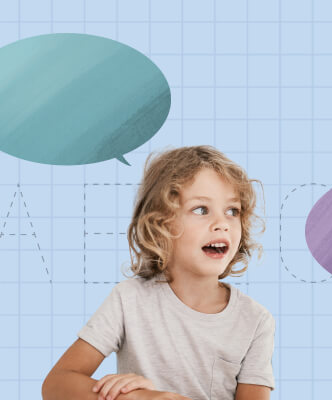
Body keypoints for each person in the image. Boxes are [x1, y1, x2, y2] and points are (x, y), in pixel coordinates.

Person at [42, 146, 275, 400]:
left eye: (233, 211)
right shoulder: (129, 299)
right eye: (201, 209)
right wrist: (134, 397)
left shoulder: (255, 321)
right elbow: (56, 384)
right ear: (159, 224)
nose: (222, 223)